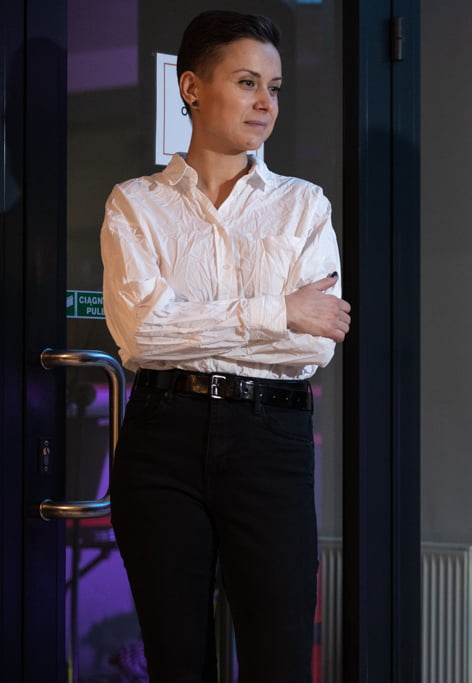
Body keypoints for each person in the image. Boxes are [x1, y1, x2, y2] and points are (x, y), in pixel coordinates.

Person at [101, 10, 350, 683]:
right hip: (163, 439)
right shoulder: (135, 205)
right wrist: (279, 309)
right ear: (191, 87)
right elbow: (141, 332)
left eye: (274, 87)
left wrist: (195, 322)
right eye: (247, 82)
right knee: (176, 661)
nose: (266, 102)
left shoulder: (304, 206)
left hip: (271, 440)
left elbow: (314, 346)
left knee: (279, 660)